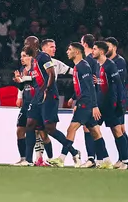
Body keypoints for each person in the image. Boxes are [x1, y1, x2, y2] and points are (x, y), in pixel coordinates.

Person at [49, 43, 111, 168]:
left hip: (86, 104)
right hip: (85, 103)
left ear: (77, 52)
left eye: (69, 49)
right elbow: (82, 87)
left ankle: (61, 158)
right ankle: (107, 161)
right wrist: (75, 99)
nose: (67, 51)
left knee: (71, 129)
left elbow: (90, 87)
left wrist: (94, 106)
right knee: (95, 132)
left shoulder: (83, 66)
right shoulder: (78, 66)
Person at [23, 36, 80, 164]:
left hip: (49, 96)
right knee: (30, 124)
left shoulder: (44, 57)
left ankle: (74, 152)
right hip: (38, 96)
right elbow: (36, 80)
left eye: (28, 44)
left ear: (35, 45)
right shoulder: (33, 60)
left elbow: (51, 74)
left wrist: (46, 90)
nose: (26, 47)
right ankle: (28, 160)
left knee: (50, 129)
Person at [93, 41, 128, 169]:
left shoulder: (111, 65)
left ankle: (125, 161)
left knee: (117, 131)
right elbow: (101, 84)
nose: (92, 51)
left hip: (111, 104)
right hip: (101, 105)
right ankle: (102, 159)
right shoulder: (98, 65)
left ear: (101, 51)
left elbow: (119, 85)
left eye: (95, 49)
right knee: (93, 128)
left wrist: (120, 103)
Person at [13, 50, 48, 166]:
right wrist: (19, 96)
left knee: (39, 132)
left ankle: (40, 158)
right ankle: (23, 158)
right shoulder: (22, 70)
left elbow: (35, 80)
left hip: (35, 102)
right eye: (21, 56)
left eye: (24, 56)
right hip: (26, 103)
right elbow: (22, 86)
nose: (22, 58)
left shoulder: (35, 68)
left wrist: (22, 79)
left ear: (31, 57)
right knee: (20, 130)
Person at [104, 37, 128, 167]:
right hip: (112, 99)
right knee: (118, 129)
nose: (106, 49)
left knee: (119, 129)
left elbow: (118, 82)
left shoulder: (119, 61)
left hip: (119, 99)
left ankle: (127, 160)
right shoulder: (106, 61)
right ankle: (125, 159)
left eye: (108, 46)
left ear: (115, 47)